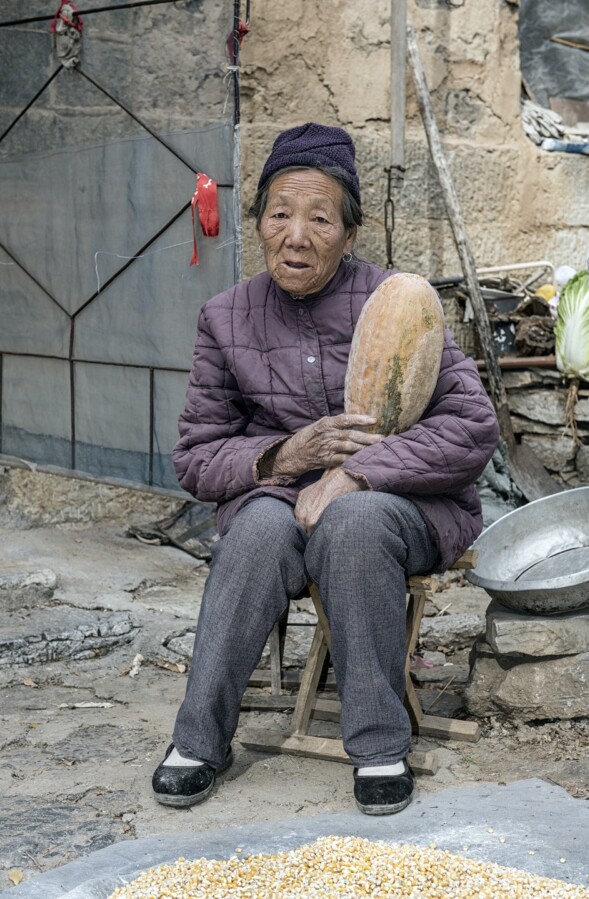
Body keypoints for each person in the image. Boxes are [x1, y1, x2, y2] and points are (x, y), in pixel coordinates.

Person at [152, 122, 499, 815]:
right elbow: (195, 454)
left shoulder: (400, 301)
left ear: (348, 231)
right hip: (279, 495)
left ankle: (377, 746)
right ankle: (197, 740)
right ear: (258, 223)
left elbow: (472, 427)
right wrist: (286, 456)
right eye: (280, 214)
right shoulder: (227, 318)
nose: (297, 235)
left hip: (405, 501)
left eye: (320, 218)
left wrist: (358, 472)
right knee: (252, 533)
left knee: (356, 520)